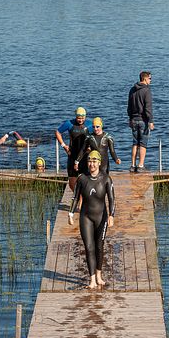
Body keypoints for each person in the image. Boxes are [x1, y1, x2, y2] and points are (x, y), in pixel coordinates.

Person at [68, 150, 115, 289]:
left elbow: (112, 199)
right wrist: (70, 213)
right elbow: (75, 197)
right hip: (86, 217)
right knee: (89, 248)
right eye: (89, 161)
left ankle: (99, 276)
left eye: (94, 162)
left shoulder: (106, 179)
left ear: (99, 163)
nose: (91, 164)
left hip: (102, 217)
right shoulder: (82, 178)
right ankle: (92, 279)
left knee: (99, 247)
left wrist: (112, 215)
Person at [55, 107, 92, 191]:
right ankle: (77, 196)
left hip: (85, 155)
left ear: (85, 117)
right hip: (72, 154)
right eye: (79, 118)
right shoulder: (69, 124)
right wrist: (64, 145)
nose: (80, 120)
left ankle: (82, 199)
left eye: (82, 118)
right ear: (76, 116)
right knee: (72, 182)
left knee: (86, 179)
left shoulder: (90, 124)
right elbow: (57, 132)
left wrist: (91, 147)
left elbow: (96, 134)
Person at [127, 71, 154, 172]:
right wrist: (150, 121)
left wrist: (130, 118)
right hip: (143, 120)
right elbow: (148, 107)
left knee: (135, 143)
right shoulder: (146, 90)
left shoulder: (132, 89)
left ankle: (133, 165)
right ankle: (141, 166)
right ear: (145, 79)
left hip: (133, 119)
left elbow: (129, 106)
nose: (150, 81)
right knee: (143, 144)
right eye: (150, 79)